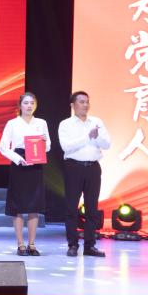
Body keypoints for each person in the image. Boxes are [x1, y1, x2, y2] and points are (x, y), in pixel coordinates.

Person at [58, 90, 111, 258]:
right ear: (73, 105)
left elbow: (107, 144)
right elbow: (66, 146)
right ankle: (72, 245)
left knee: (92, 209)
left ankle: (90, 245)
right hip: (73, 167)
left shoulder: (96, 122)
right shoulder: (66, 124)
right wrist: (88, 137)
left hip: (93, 168)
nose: (85, 105)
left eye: (87, 101)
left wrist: (96, 137)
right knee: (71, 208)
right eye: (81, 102)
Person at [0, 92, 51, 256]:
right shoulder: (12, 123)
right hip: (19, 163)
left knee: (34, 206)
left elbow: (48, 146)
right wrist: (17, 159)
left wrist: (44, 142)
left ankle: (32, 244)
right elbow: (3, 147)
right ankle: (20, 244)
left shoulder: (41, 123)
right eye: (26, 103)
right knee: (18, 206)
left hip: (36, 163)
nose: (29, 106)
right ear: (20, 105)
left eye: (32, 103)